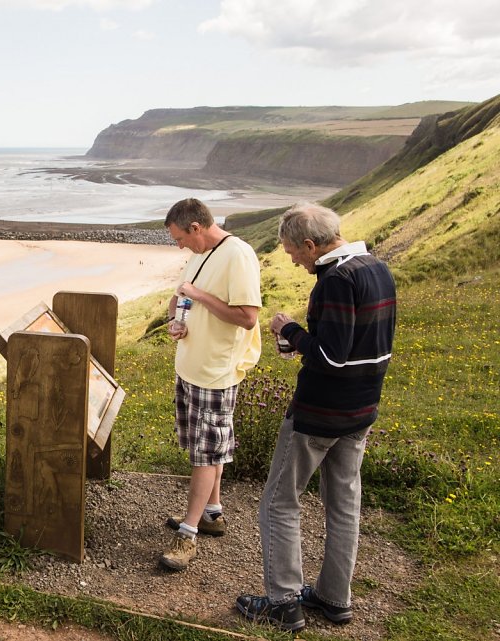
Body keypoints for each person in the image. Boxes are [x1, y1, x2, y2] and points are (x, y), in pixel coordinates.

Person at [235, 202, 397, 632]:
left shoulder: (335, 281)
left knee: (279, 502)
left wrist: (287, 329)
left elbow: (331, 356)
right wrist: (305, 342)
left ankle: (283, 603)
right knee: (344, 502)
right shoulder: (376, 268)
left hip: (320, 411)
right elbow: (360, 344)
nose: (291, 258)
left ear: (311, 244)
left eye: (292, 251)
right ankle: (333, 597)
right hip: (362, 408)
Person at [159, 198, 262, 571]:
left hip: (216, 373)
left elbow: (248, 318)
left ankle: (187, 536)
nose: (179, 245)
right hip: (190, 365)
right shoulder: (201, 253)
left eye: (180, 238)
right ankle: (212, 513)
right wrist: (177, 320)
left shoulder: (238, 255)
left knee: (206, 454)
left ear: (197, 228)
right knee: (205, 449)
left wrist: (199, 296)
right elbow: (181, 299)